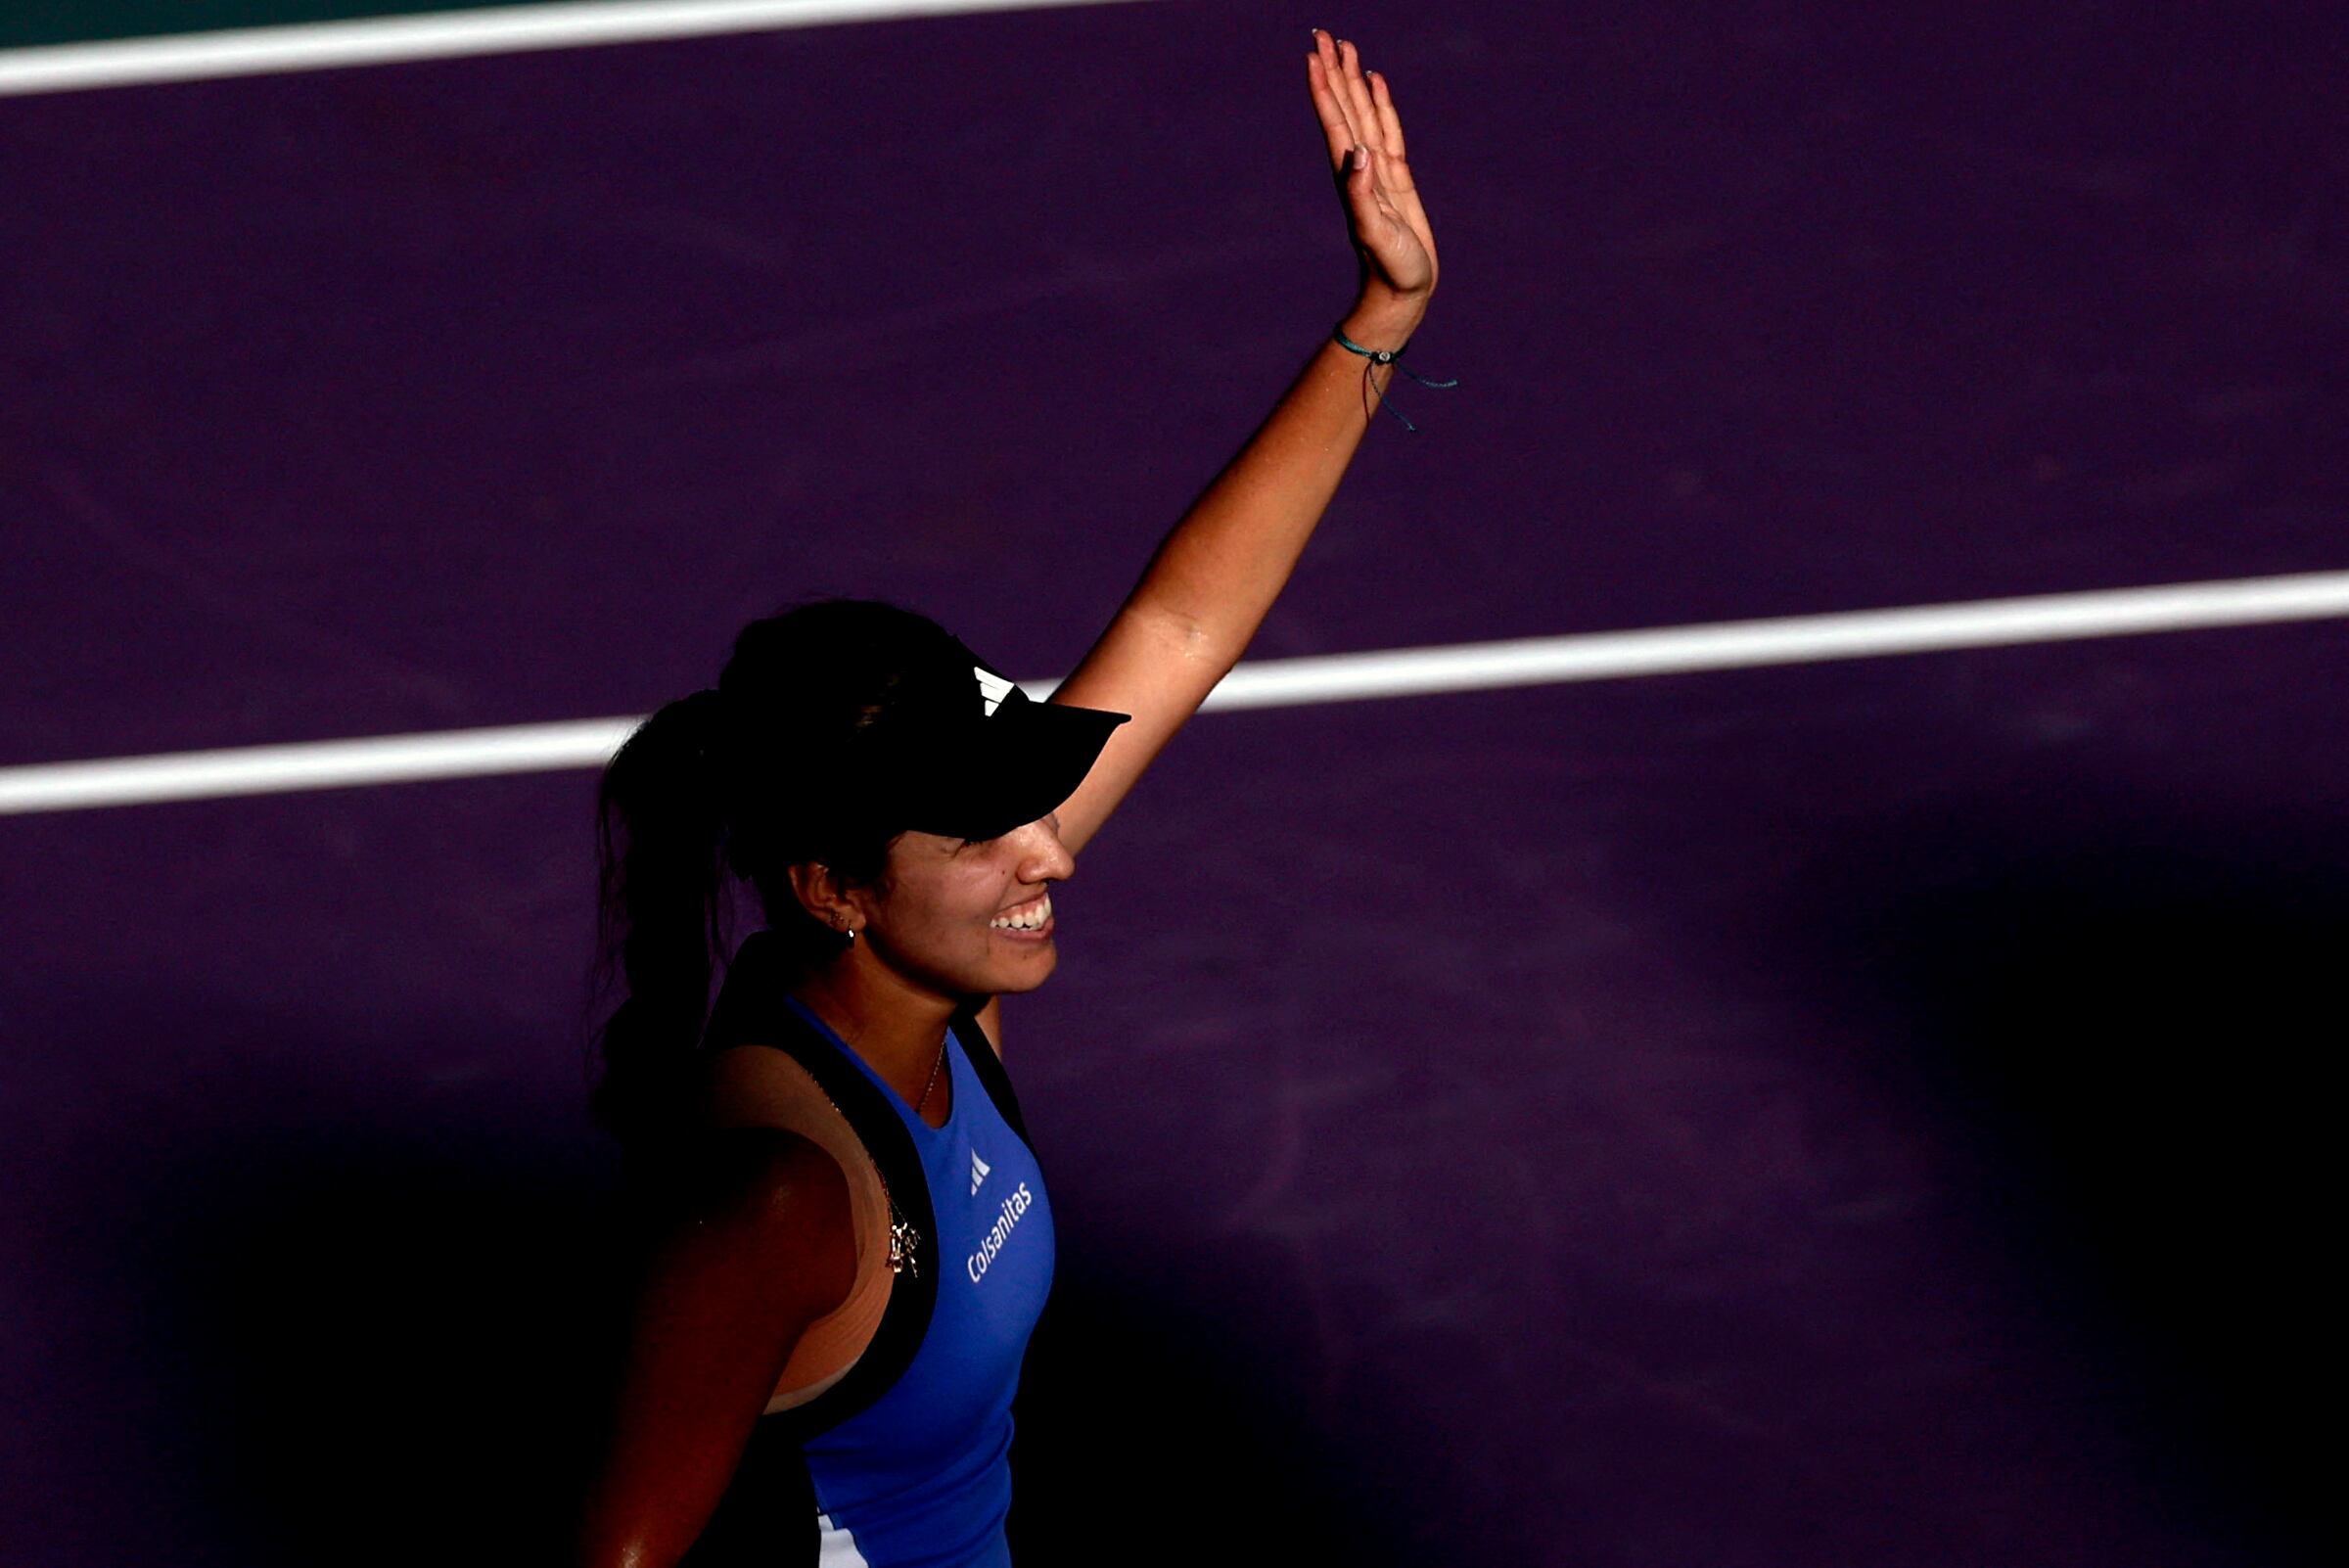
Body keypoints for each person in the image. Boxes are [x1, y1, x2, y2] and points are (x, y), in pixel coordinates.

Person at [574, 29, 1441, 1568]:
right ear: (834, 881)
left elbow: (1179, 632)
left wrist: (1385, 314)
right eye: (986, 828)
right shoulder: (782, 1200)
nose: (1052, 849)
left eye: (1029, 798)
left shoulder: (933, 980)